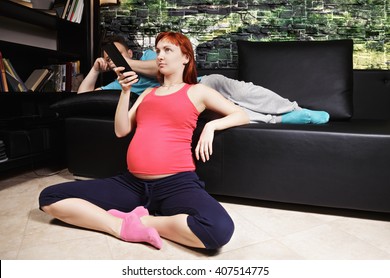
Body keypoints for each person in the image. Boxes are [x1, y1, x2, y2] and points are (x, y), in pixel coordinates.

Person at [39, 31, 250, 250]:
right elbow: (121, 130)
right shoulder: (147, 93)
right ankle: (121, 227)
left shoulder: (197, 91)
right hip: (131, 184)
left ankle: (144, 221)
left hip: (176, 184)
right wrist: (125, 91)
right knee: (50, 197)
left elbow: (241, 114)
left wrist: (211, 126)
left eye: (168, 50)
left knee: (218, 229)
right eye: (158, 51)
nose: (160, 56)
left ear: (186, 57)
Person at [78, 35, 329, 125]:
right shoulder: (119, 82)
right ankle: (283, 119)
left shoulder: (150, 56)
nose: (114, 62)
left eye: (116, 56)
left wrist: (126, 63)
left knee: (244, 91)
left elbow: (161, 67)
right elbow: (82, 99)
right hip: (179, 99)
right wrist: (96, 70)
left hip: (201, 83)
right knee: (230, 112)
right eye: (110, 58)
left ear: (129, 53)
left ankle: (292, 108)